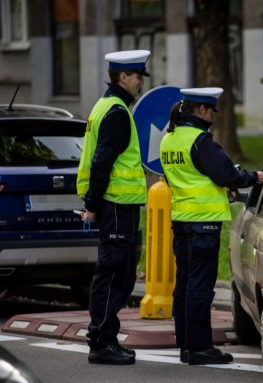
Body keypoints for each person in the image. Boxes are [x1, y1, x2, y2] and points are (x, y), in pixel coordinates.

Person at [160, 87, 263, 365]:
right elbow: (226, 174)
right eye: (211, 111)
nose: (212, 117)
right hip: (202, 224)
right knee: (200, 287)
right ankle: (199, 349)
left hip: (182, 221)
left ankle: (186, 345)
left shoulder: (168, 140)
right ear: (201, 110)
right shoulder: (200, 141)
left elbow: (188, 178)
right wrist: (255, 176)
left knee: (184, 285)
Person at [76, 50, 151, 365]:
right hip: (116, 205)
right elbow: (101, 162)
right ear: (124, 77)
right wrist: (93, 204)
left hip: (120, 205)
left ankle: (107, 337)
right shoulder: (117, 112)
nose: (139, 83)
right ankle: (101, 342)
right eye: (137, 77)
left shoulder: (104, 105)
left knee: (119, 274)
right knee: (113, 274)